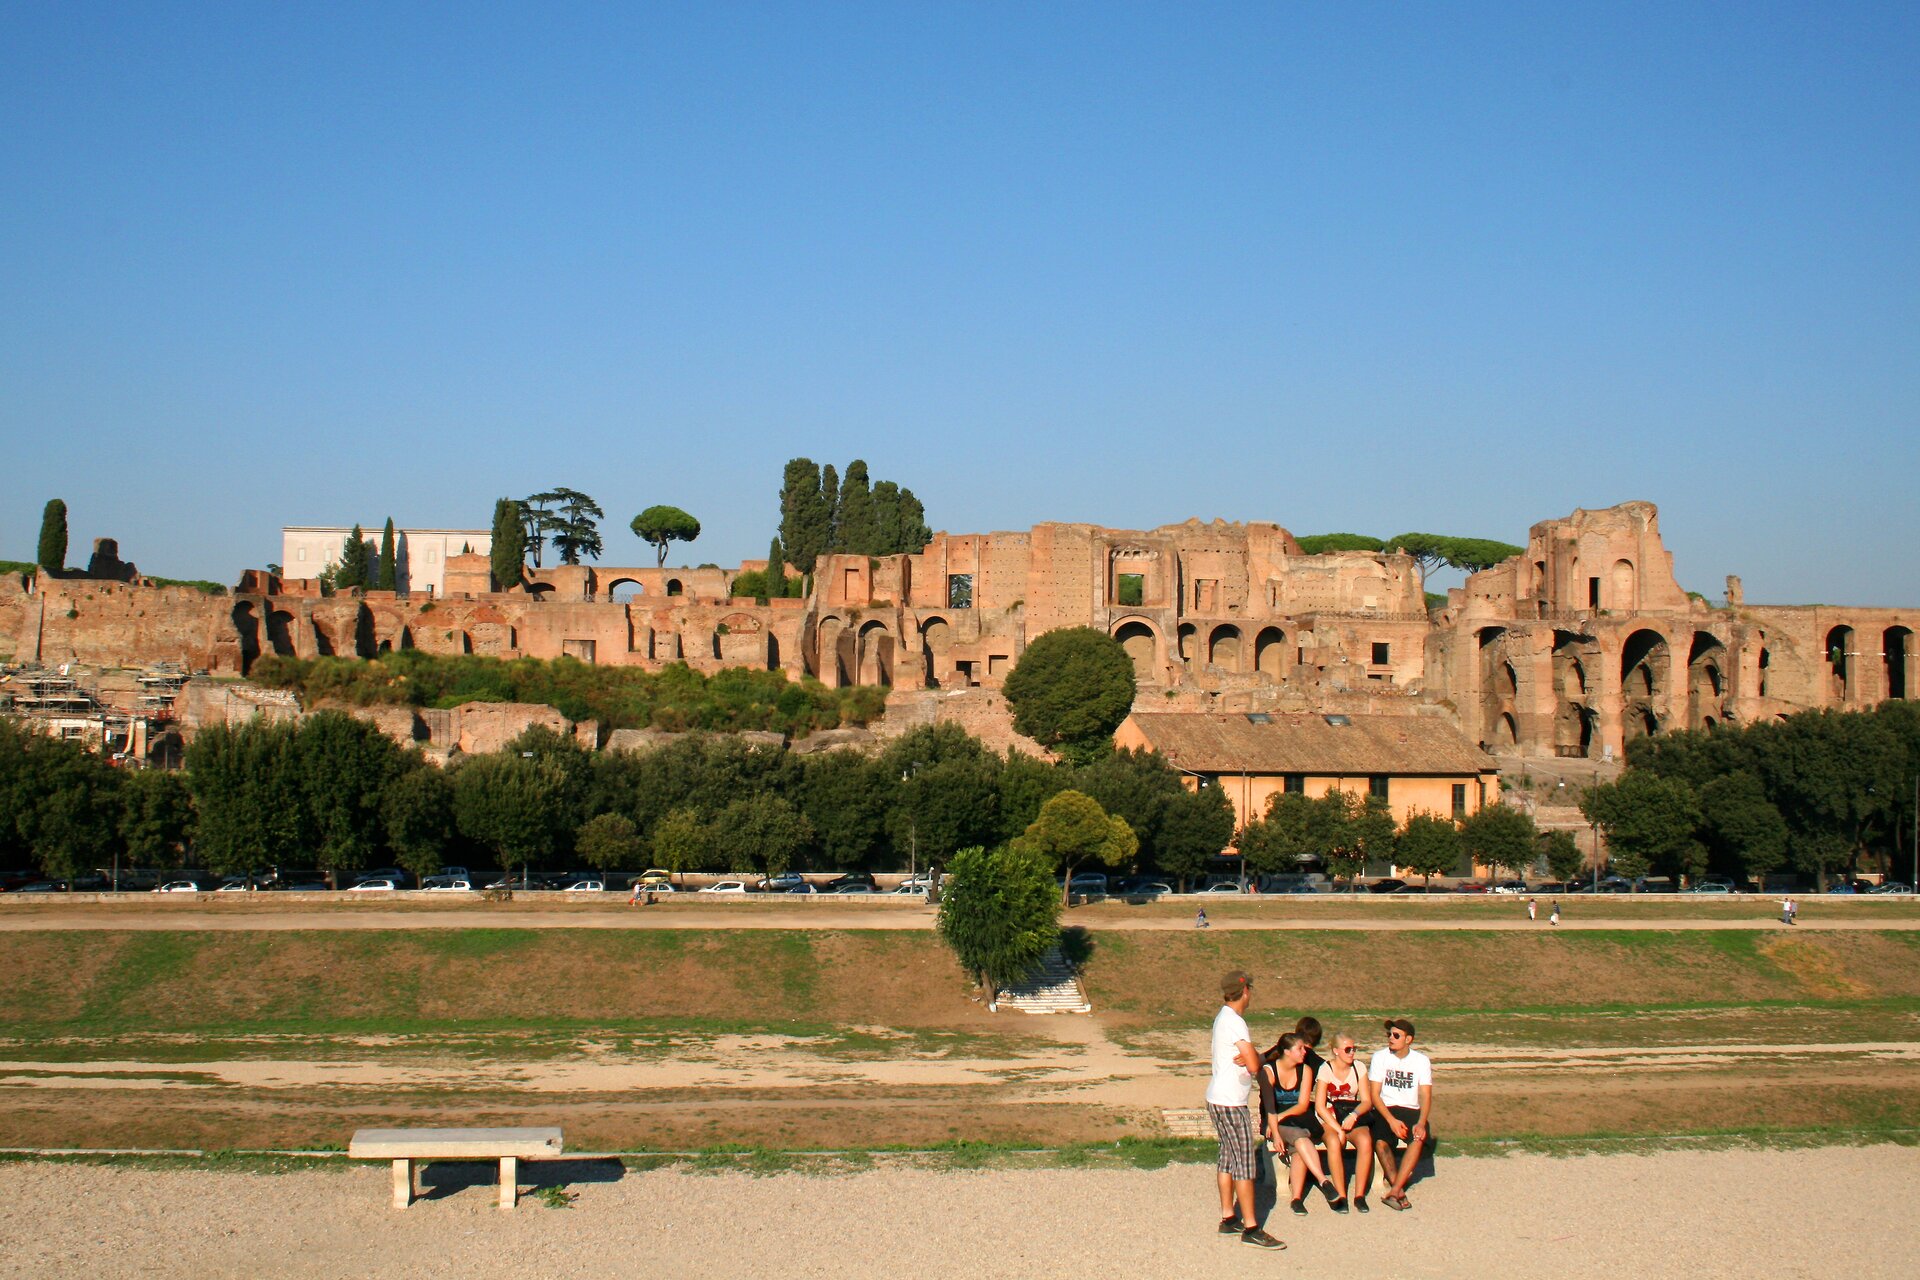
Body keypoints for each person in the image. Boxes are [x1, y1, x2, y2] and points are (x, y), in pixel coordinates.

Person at [1207, 970, 1285, 1249]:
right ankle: (1251, 1227)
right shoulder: (1236, 1022)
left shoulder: (1223, 1018)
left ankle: (1229, 1216)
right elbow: (1253, 1066)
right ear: (1246, 991)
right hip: (1231, 1102)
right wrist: (1253, 1056)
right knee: (1244, 1164)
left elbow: (1251, 1059)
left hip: (1218, 1098)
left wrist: (1261, 1054)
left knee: (1228, 1158)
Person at [1259, 1031, 1345, 1215]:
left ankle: (1296, 1199)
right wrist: (1274, 1130)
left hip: (1295, 1117)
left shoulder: (1305, 1070)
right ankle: (1324, 1181)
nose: (1305, 1052)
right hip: (1273, 1120)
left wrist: (1281, 1118)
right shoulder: (1268, 1071)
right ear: (1287, 1051)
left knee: (1299, 1145)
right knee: (1300, 1136)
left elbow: (1302, 1105)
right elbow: (1269, 1108)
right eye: (1300, 1049)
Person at [1367, 1018, 1433, 1211]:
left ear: (1408, 1039)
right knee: (1380, 1141)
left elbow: (1426, 1096)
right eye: (1389, 1034)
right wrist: (1391, 1120)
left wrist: (1421, 1122)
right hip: (1385, 1108)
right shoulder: (1380, 1057)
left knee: (1418, 1137)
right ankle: (1399, 1190)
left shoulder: (1421, 1061)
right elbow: (1374, 1095)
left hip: (1410, 1109)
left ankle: (1395, 1190)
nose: (1391, 1038)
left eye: (1396, 1035)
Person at [1315, 1031, 1376, 1212]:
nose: (1352, 1053)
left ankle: (1359, 1195)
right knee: (1334, 1141)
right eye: (1348, 1049)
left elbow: (1366, 1100)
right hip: (1330, 1116)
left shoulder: (1359, 1068)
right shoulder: (1326, 1069)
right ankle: (1341, 1194)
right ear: (1336, 1051)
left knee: (1365, 1141)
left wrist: (1354, 1116)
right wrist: (1338, 1129)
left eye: (1354, 1049)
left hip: (1350, 1113)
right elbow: (1319, 1106)